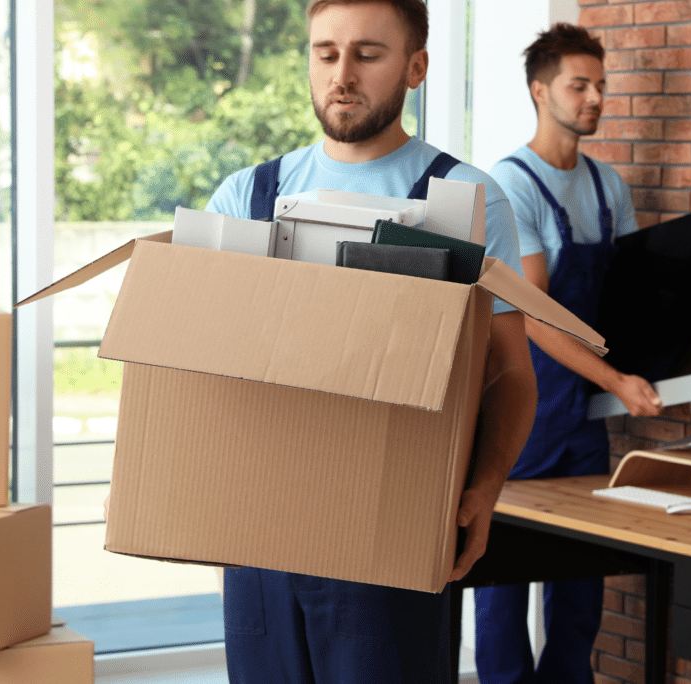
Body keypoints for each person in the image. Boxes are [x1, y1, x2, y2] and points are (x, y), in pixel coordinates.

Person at [204, 2, 538, 682]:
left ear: (415, 67)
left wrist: (486, 484)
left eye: (368, 54)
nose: (342, 75)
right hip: (259, 536)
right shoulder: (247, 196)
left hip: (392, 523)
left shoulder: (465, 199)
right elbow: (201, 364)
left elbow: (510, 370)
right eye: (325, 54)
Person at [472, 23, 663, 684]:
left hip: (586, 416)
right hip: (525, 406)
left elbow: (632, 298)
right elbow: (530, 314)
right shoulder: (510, 185)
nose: (594, 99)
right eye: (578, 85)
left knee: (581, 587)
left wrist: (686, 369)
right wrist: (618, 378)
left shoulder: (609, 185)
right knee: (503, 582)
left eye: (601, 86)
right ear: (539, 91)